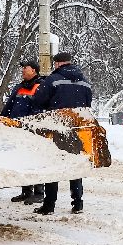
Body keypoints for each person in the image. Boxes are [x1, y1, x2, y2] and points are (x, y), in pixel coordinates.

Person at [30, 50, 93, 215]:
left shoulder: (53, 79)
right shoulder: (85, 82)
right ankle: (77, 204)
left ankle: (49, 205)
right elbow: (87, 105)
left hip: (57, 127)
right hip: (77, 128)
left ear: (57, 64)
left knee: (54, 165)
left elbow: (38, 100)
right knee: (75, 164)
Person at [1, 60, 44, 204]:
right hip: (17, 129)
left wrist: (30, 124)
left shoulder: (40, 87)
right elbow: (9, 106)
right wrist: (2, 119)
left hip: (33, 130)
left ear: (34, 71)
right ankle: (26, 191)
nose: (23, 70)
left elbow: (40, 110)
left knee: (36, 161)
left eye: (26, 68)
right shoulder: (19, 87)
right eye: (23, 68)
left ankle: (39, 192)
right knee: (23, 160)